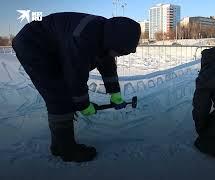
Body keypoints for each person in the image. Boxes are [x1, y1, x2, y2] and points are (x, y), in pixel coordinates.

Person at [12, 12, 141, 162]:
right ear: (114, 41)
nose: (119, 55)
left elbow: (107, 62)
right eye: (120, 51)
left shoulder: (106, 34)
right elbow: (75, 75)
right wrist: (83, 104)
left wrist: (115, 93)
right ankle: (67, 150)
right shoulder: (82, 38)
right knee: (58, 96)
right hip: (33, 44)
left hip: (54, 47)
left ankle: (59, 145)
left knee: (63, 94)